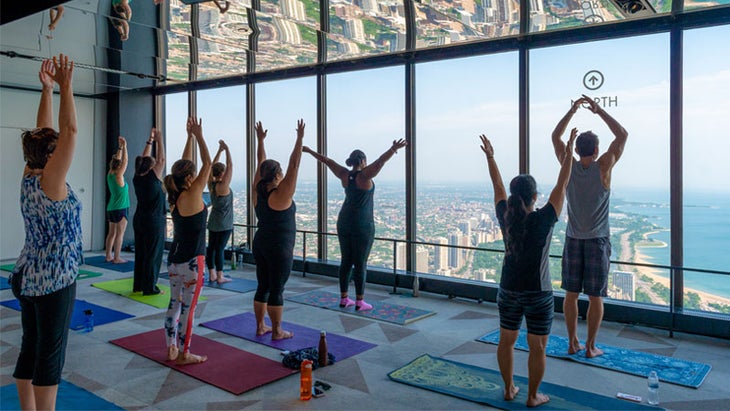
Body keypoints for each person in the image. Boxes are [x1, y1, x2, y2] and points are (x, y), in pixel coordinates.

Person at [481, 131, 575, 408]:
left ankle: (509, 388)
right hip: (538, 292)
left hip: (508, 288)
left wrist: (491, 157)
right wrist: (567, 154)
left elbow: (496, 183)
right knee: (538, 346)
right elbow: (563, 182)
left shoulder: (504, 215)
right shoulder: (545, 218)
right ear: (535, 196)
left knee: (506, 341)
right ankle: (533, 396)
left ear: (513, 196)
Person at [10, 54, 79, 411]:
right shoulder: (52, 181)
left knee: (30, 347)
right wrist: (66, 87)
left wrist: (47, 90)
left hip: (26, 275)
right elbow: (68, 132)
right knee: (50, 356)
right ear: (51, 156)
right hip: (55, 279)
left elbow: (47, 133)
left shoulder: (30, 173)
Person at [551, 95, 629, 358]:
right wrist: (599, 111)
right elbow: (622, 134)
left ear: (576, 150)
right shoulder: (604, 167)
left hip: (573, 239)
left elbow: (555, 136)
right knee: (596, 297)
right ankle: (591, 347)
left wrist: (572, 110)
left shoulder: (568, 166)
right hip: (597, 241)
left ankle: (572, 342)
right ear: (596, 151)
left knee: (570, 295)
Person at [303, 139, 407, 310]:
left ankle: (344, 299)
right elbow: (381, 161)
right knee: (360, 263)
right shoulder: (365, 176)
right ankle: (359, 301)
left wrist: (309, 151)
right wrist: (393, 148)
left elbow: (327, 161)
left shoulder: (345, 174)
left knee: (346, 261)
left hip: (344, 222)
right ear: (363, 161)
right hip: (362, 224)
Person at [163, 117, 211, 365]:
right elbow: (208, 163)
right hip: (193, 260)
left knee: (174, 304)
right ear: (190, 178)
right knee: (189, 309)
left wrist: (189, 137)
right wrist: (200, 136)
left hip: (174, 260)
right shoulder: (193, 194)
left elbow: (184, 167)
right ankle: (184, 352)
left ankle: (171, 348)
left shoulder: (175, 195)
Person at [252, 119, 305, 340]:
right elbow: (294, 165)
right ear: (277, 174)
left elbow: (260, 162)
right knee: (277, 290)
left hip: (261, 242)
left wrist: (260, 141)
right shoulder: (281, 195)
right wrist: (299, 139)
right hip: (279, 248)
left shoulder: (257, 189)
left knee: (263, 285)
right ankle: (276, 330)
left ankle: (260, 326)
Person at [133, 127, 166, 295]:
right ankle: (150, 287)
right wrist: (159, 140)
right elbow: (161, 159)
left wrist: (150, 140)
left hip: (140, 219)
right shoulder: (152, 178)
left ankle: (139, 284)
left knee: (141, 252)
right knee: (153, 254)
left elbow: (143, 160)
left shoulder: (137, 176)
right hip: (153, 221)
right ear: (151, 167)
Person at [206, 139, 233, 284]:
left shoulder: (211, 184)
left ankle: (211, 274)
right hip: (224, 223)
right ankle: (220, 276)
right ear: (222, 174)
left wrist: (219, 151)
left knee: (211, 248)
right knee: (220, 249)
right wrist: (227, 149)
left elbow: (210, 167)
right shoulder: (223, 186)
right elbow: (230, 166)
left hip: (213, 221)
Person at [105, 136, 130, 263]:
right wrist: (125, 147)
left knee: (111, 233)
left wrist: (120, 147)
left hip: (111, 207)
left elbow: (118, 160)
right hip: (121, 208)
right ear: (119, 167)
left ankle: (108, 255)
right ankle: (117, 258)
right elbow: (125, 161)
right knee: (119, 234)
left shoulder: (110, 174)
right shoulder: (119, 176)